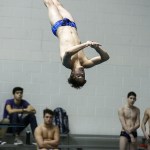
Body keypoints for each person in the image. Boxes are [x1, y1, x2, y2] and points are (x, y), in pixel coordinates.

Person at [43, 0, 110, 89]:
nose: (82, 74)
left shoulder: (67, 63)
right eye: (83, 76)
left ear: (72, 74)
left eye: (79, 76)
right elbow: (106, 58)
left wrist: (85, 44)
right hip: (72, 25)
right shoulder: (86, 63)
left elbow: (68, 52)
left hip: (59, 26)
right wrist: (96, 48)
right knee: (58, 5)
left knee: (50, 4)